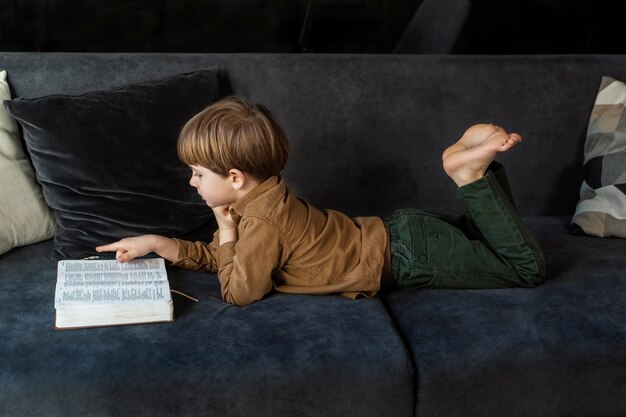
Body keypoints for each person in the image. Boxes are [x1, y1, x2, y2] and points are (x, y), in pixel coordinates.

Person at [96, 96, 545, 307]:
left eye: (197, 173)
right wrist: (159, 242)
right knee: (493, 243)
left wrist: (227, 228)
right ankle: (474, 171)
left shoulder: (258, 225)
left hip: (409, 255)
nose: (191, 183)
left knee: (525, 269)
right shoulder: (266, 201)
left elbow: (238, 290)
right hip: (403, 233)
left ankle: (469, 175)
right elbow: (228, 260)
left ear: (235, 178)